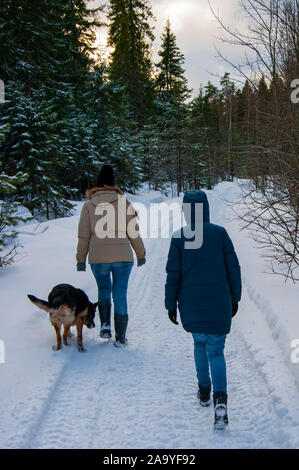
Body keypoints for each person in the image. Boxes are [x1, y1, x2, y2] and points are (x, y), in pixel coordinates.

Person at [165, 190, 241, 430]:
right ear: (206, 208)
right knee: (216, 351)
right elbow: (234, 269)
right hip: (219, 304)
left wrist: (171, 304)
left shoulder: (179, 237)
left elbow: (173, 276)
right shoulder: (220, 234)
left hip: (192, 305)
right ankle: (220, 401)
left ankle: (204, 391)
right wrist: (235, 298)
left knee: (199, 344)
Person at [76, 164, 146, 347]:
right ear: (113, 182)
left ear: (98, 183)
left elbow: (84, 234)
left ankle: (105, 325)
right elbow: (134, 231)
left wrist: (80, 259)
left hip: (98, 258)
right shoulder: (124, 202)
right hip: (123, 257)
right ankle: (121, 337)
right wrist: (140, 253)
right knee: (120, 294)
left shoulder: (89, 204)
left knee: (104, 290)